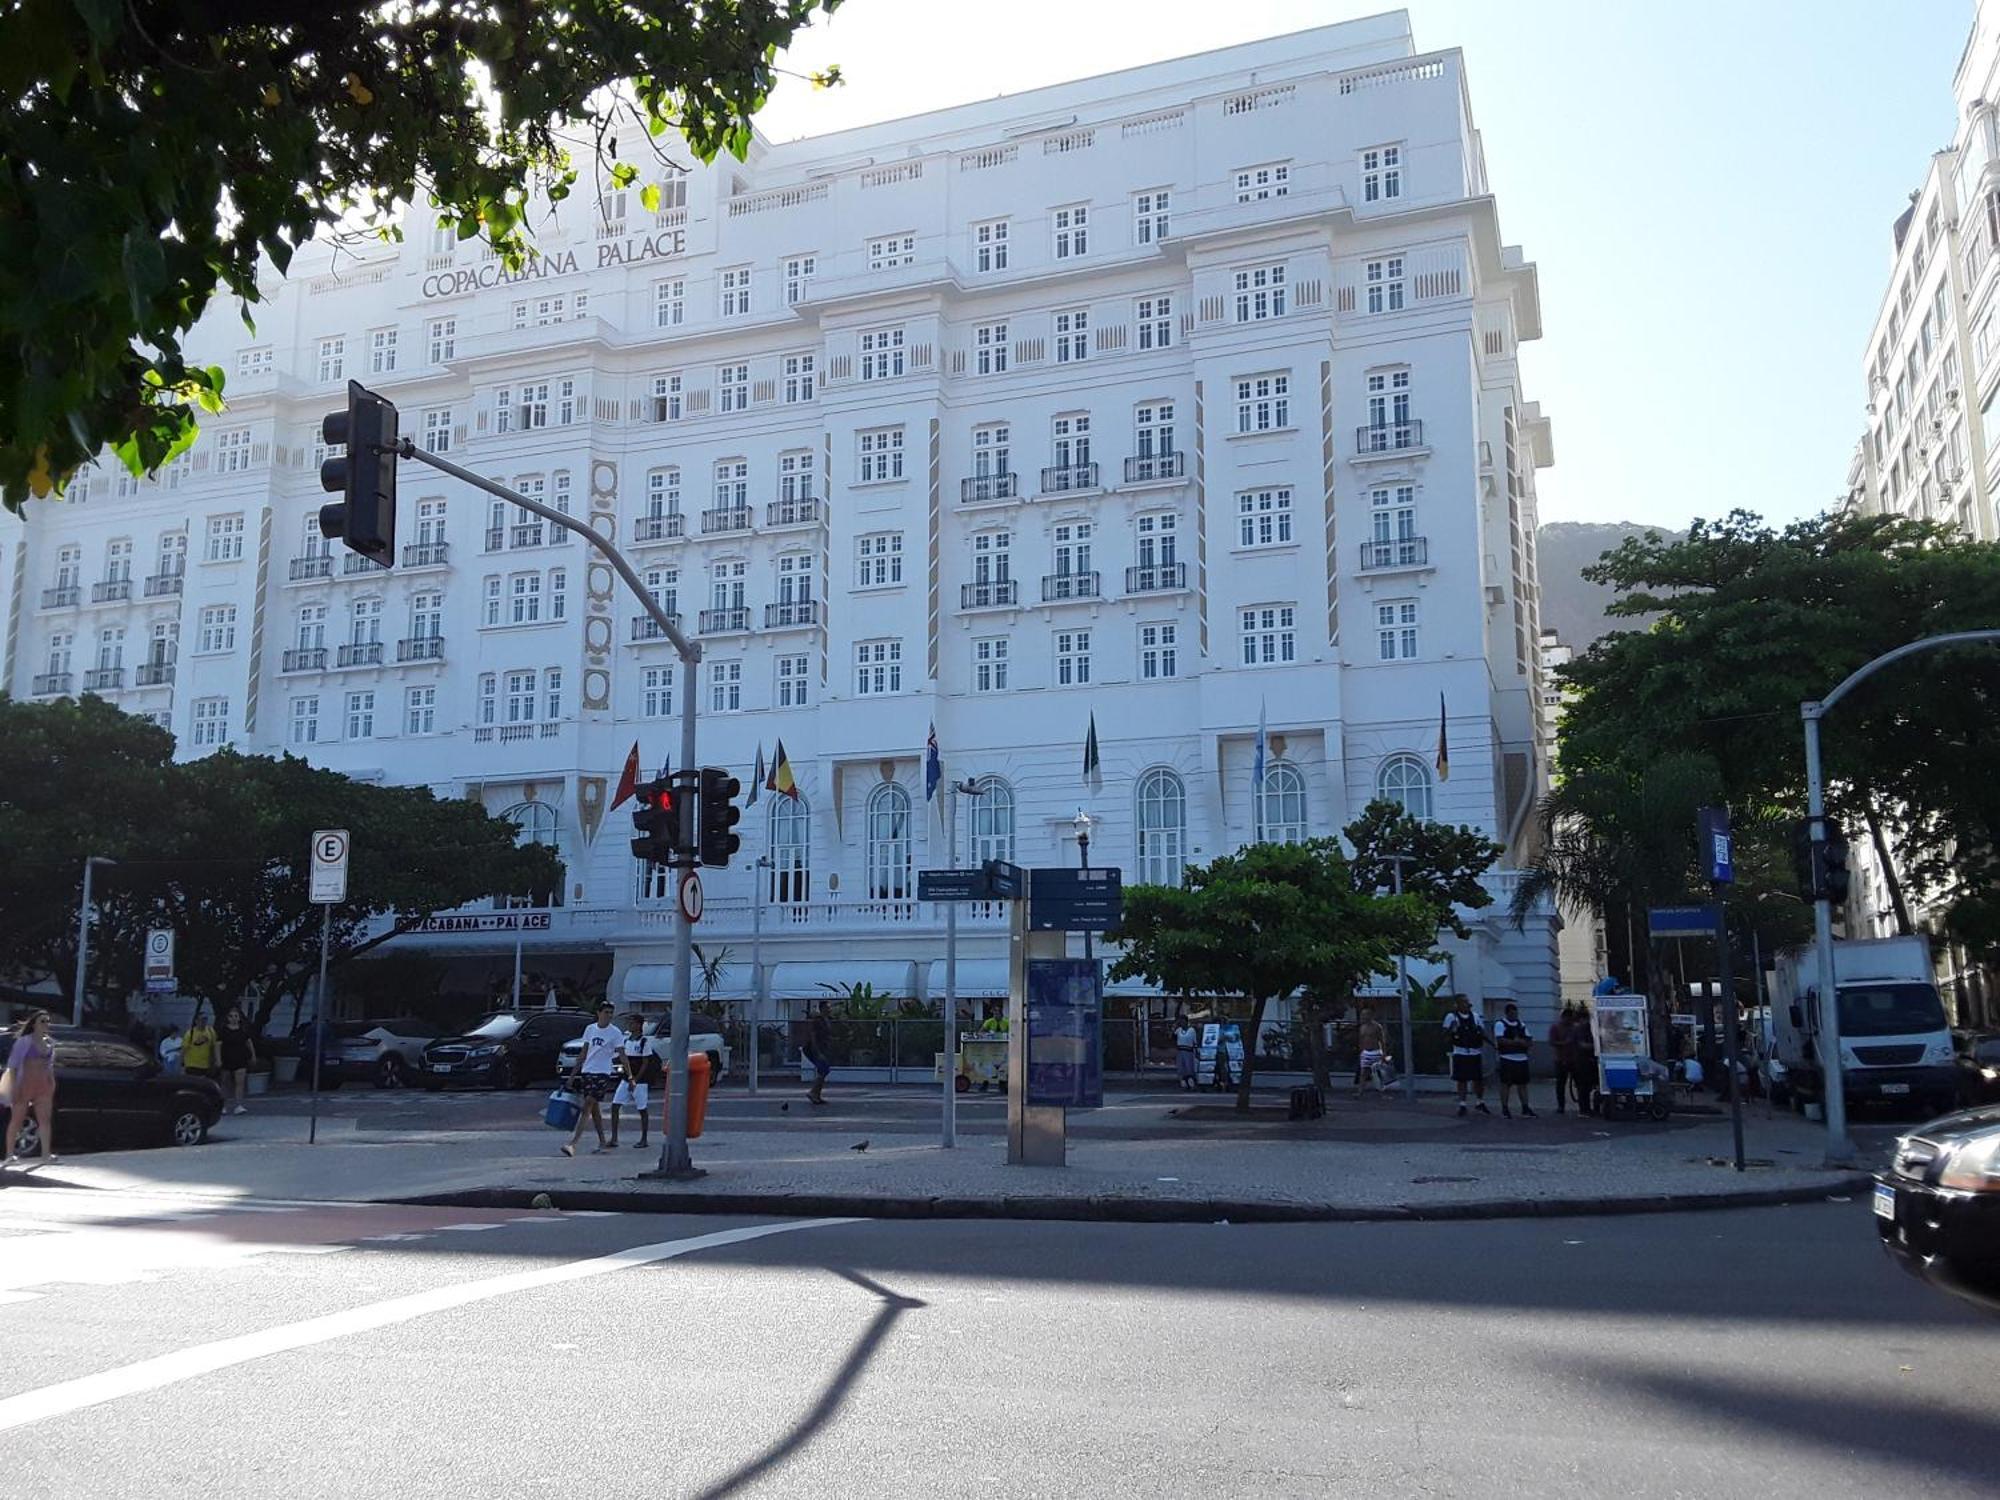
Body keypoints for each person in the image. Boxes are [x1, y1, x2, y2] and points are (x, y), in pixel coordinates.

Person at [563, 1001, 623, 1156]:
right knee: (594, 1109)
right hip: (588, 1071)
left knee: (588, 1104)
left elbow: (622, 1054)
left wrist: (629, 1076)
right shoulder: (590, 1029)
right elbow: (584, 1052)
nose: (608, 1015)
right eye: (606, 1012)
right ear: (599, 1013)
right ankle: (602, 1141)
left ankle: (573, 1143)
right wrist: (572, 1075)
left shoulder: (615, 1032)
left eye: (611, 1013)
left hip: (603, 1072)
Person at [3, 1011, 59, 1167]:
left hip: (43, 1086)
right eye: (42, 1021)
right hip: (25, 1084)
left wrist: (51, 1083)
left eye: (48, 1021)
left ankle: (46, 1154)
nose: (46, 1024)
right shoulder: (24, 1042)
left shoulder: (49, 1043)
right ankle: (9, 1154)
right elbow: (13, 1065)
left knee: (45, 1120)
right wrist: (14, 1087)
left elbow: (50, 1066)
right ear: (34, 1024)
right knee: (17, 1120)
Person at [609, 1012, 651, 1149]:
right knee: (615, 1105)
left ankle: (644, 1138)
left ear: (639, 1025)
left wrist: (636, 1079)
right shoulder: (626, 1040)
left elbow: (645, 1063)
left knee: (642, 1108)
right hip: (626, 1078)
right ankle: (614, 1138)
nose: (630, 1025)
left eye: (632, 1023)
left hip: (640, 1081)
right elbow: (622, 1057)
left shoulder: (644, 1041)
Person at [1443, 997, 1489, 1117]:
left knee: (1478, 1079)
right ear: (1457, 1005)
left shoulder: (1475, 1016)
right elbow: (1445, 1035)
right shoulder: (1451, 1017)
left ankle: (1480, 1102)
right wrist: (1452, 1029)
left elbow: (1482, 1032)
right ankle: (1462, 1104)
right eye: (1464, 1002)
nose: (1467, 1005)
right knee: (1462, 1079)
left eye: (1467, 1002)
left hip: (1475, 1051)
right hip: (1460, 1051)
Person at [1493, 1002, 1535, 1118]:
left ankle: (1525, 1107)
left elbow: (1530, 1041)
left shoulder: (1521, 1025)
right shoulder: (1500, 1024)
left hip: (1521, 1059)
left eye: (1515, 1014)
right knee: (1505, 1084)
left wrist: (1522, 1043)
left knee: (1522, 1084)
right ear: (1507, 1014)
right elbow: (1500, 1040)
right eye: (1512, 1014)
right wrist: (1515, 1042)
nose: (1514, 1016)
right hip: (1507, 1058)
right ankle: (1505, 1108)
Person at [217, 1003, 255, 1115]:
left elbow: (249, 1042)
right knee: (225, 1083)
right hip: (227, 1058)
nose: (234, 1018)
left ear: (239, 1018)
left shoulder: (243, 1030)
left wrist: (253, 1055)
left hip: (240, 1058)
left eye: (236, 1016)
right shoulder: (223, 1030)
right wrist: (218, 1059)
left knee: (240, 1082)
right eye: (231, 1016)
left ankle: (239, 1105)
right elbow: (218, 1045)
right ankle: (223, 1105)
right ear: (227, 1018)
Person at [1547, 1006, 1577, 1115]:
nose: (1570, 1021)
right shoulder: (1555, 1027)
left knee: (1579, 1083)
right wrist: (1565, 1043)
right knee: (1560, 1084)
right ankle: (1561, 1106)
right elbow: (1552, 1042)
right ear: (1563, 1017)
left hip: (1573, 1059)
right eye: (1568, 1018)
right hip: (1560, 1059)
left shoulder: (1574, 1027)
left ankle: (1582, 1104)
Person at [1355, 1006, 1390, 1095]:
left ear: (1370, 1015)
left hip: (1376, 1052)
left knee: (1378, 1074)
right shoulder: (1362, 1027)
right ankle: (1360, 1092)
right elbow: (1361, 1040)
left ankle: (1382, 1093)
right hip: (1366, 1053)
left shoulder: (1377, 1026)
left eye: (1365, 1014)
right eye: (1362, 1014)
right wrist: (1361, 1052)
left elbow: (1382, 1040)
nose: (1363, 1016)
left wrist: (1384, 1053)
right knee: (1363, 1073)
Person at [806, 1002, 834, 1106]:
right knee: (824, 1070)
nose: (830, 1009)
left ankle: (816, 1094)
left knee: (823, 1070)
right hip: (818, 1049)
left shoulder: (828, 1020)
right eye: (828, 1007)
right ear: (822, 1008)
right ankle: (813, 1092)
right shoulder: (817, 1021)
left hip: (825, 1048)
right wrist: (817, 1051)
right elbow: (813, 1036)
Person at [1571, 1005, 1598, 1114]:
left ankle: (1585, 1108)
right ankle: (1584, 1109)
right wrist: (1596, 1046)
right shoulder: (1580, 1029)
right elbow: (1582, 1045)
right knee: (1583, 1087)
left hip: (1584, 1061)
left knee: (1585, 1087)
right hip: (1581, 1062)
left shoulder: (1582, 1028)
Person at [181, 1006, 217, 1081]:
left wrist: (215, 1061)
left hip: (206, 1065)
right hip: (192, 1065)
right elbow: (184, 1049)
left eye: (205, 1019)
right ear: (196, 1021)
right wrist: (182, 1065)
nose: (203, 1022)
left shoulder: (211, 1031)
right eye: (201, 1019)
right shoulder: (190, 1033)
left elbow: (214, 1047)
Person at [1174, 1016, 1199, 1090]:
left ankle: (1191, 1083)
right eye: (1180, 1022)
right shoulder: (1178, 1030)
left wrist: (1197, 1050)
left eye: (1183, 1021)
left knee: (1189, 1067)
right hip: (1180, 1050)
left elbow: (1195, 1041)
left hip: (1188, 1051)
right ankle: (1183, 1083)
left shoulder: (1191, 1030)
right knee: (1181, 1068)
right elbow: (1173, 1037)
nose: (1182, 1023)